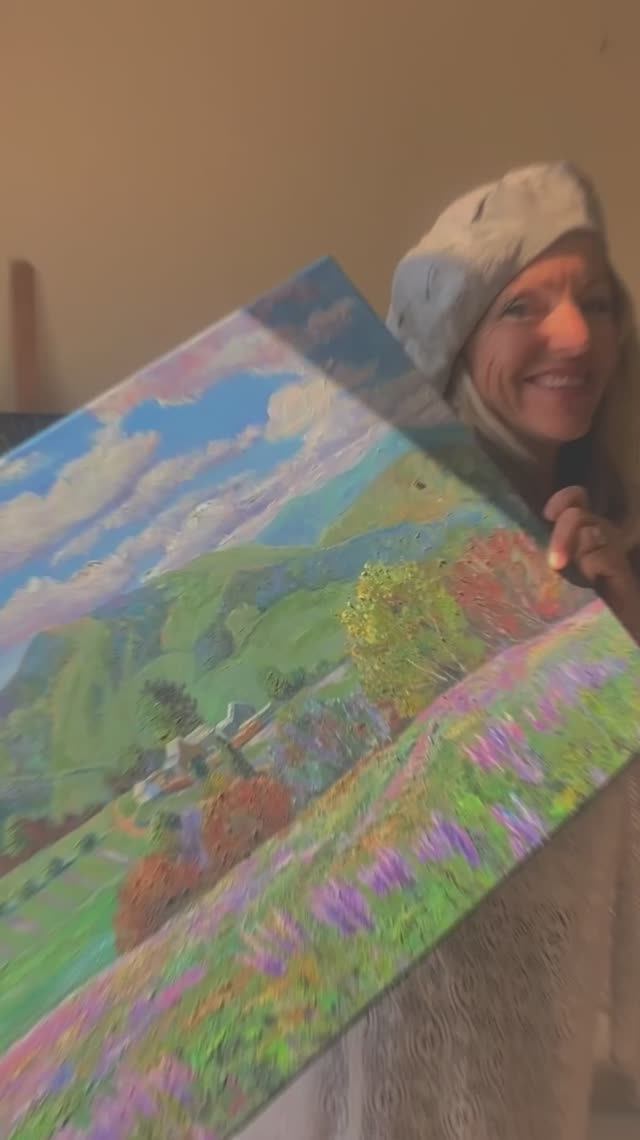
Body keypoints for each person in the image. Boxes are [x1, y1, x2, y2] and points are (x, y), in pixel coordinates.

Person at [238, 163, 640, 1140]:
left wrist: (622, 649)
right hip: (368, 1079)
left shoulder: (614, 568)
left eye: (595, 302)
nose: (575, 336)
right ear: (456, 341)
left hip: (523, 1075)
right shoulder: (367, 555)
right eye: (522, 306)